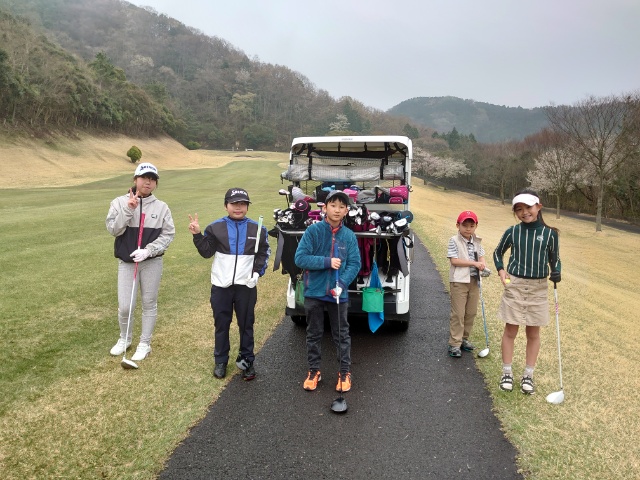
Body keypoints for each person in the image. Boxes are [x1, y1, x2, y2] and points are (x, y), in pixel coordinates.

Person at [188, 188, 270, 381]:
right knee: (222, 324)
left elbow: (263, 253)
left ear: (247, 207)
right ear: (226, 206)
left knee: (246, 324)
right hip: (221, 286)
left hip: (246, 286)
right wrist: (198, 235)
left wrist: (256, 273)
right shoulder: (215, 227)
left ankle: (247, 360)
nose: (238, 207)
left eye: (242, 204)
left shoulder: (258, 228)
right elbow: (207, 252)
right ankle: (221, 361)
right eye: (234, 204)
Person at [493, 188, 561, 395]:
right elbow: (497, 253)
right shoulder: (512, 232)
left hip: (538, 287)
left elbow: (555, 259)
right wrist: (501, 271)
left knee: (533, 333)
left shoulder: (550, 234)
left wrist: (557, 271)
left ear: (538, 207)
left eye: (528, 207)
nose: (524, 212)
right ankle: (507, 373)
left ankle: (528, 375)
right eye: (519, 209)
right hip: (515, 284)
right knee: (510, 331)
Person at [106, 162, 175, 362]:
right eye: (144, 178)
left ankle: (145, 343)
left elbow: (168, 234)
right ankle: (124, 338)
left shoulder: (162, 207)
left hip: (151, 262)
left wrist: (149, 250)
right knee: (125, 306)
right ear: (135, 179)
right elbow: (113, 230)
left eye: (152, 179)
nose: (148, 182)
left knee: (149, 302)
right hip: (127, 262)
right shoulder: (119, 202)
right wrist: (128, 210)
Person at [294, 190, 361, 393]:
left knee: (341, 335)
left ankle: (344, 372)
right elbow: (300, 258)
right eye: (333, 205)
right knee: (314, 334)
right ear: (324, 208)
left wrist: (342, 284)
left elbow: (354, 264)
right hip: (314, 291)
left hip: (338, 293)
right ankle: (314, 370)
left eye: (342, 207)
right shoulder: (313, 232)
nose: (337, 210)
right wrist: (327, 262)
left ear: (347, 211)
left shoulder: (349, 236)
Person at [446, 210, 488, 358]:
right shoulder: (454, 240)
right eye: (465, 225)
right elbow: (454, 261)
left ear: (476, 226)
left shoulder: (477, 240)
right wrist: (474, 263)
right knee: (458, 313)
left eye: (471, 225)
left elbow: (481, 257)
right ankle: (454, 343)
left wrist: (482, 265)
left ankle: (464, 339)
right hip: (459, 280)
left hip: (474, 280)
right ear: (458, 225)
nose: (468, 229)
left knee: (471, 312)